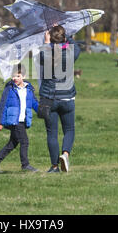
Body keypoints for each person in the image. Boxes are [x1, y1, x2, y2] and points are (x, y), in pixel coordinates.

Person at [39, 25, 80, 173]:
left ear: (50, 38)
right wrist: (66, 35)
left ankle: (55, 166)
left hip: (49, 99)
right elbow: (75, 46)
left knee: (52, 133)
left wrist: (46, 41)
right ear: (63, 38)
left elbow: (42, 56)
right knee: (69, 129)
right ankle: (65, 154)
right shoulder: (71, 52)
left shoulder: (45, 53)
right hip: (67, 98)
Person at [0, 64, 39, 173]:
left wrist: (42, 111)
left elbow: (33, 102)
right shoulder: (9, 88)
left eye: (18, 76)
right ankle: (25, 165)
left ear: (24, 76)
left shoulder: (28, 88)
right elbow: (3, 105)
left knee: (12, 143)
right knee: (24, 141)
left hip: (23, 119)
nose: (15, 78)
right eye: (13, 76)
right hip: (14, 121)